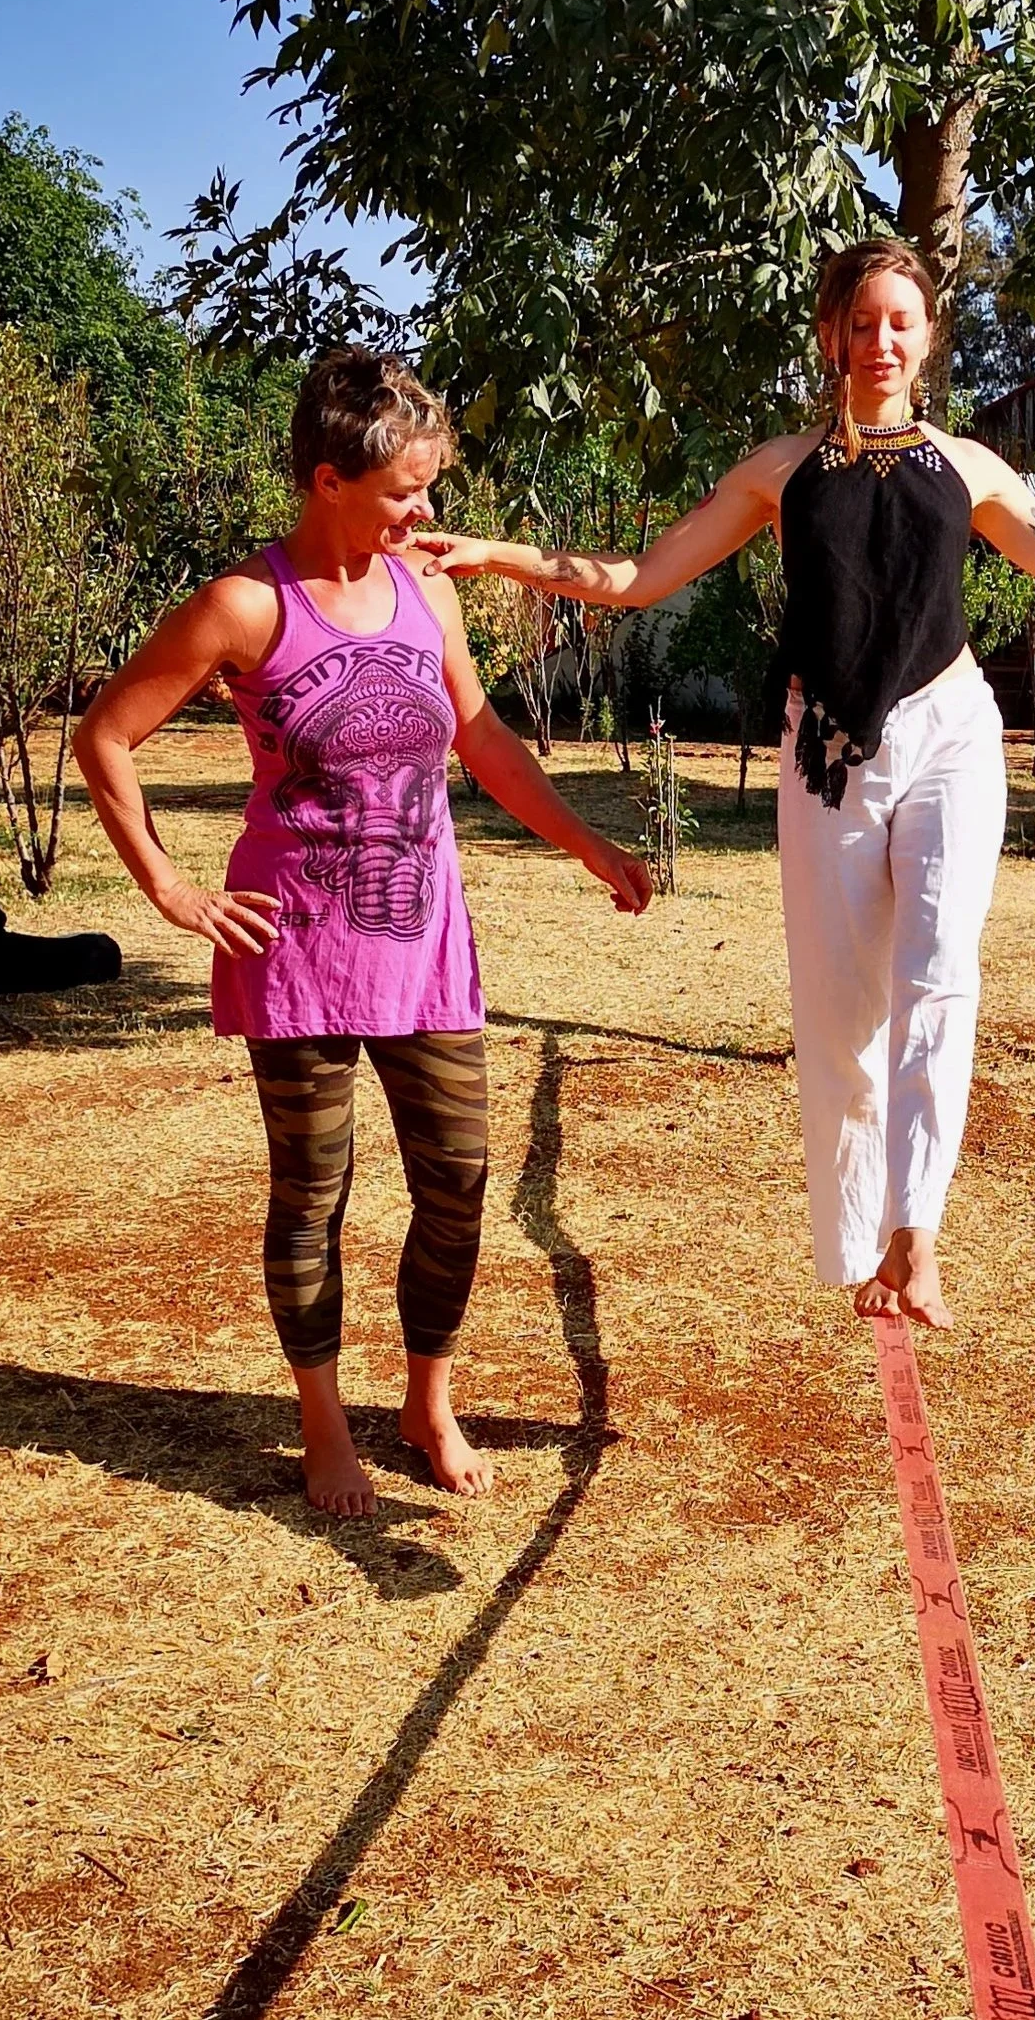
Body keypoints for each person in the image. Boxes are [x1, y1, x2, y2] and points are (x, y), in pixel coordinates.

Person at [415, 238, 1035, 1331]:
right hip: (830, 749)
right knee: (839, 1009)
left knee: (938, 979)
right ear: (830, 336)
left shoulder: (971, 468)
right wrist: (500, 553)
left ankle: (918, 1237)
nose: (879, 339)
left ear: (927, 335)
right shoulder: (778, 470)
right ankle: (856, 1244)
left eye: (899, 319)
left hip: (947, 733)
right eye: (859, 321)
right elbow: (635, 578)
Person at [76, 350, 650, 1517]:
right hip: (294, 950)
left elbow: (481, 741)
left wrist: (583, 842)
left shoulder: (426, 591)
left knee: (459, 1180)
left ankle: (426, 1398)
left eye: (428, 487)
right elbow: (105, 737)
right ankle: (323, 1423)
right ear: (329, 479)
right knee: (310, 1193)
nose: (424, 512)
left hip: (424, 941)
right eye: (402, 491)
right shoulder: (246, 604)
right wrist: (175, 895)